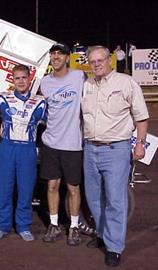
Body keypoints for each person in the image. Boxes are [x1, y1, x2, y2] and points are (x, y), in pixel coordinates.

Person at [82, 45, 149, 267]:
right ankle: (103, 234)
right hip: (90, 148)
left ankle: (114, 247)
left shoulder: (126, 83)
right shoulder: (88, 85)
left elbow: (141, 117)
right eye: (92, 62)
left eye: (100, 60)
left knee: (115, 200)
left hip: (116, 149)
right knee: (93, 197)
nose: (97, 64)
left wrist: (140, 144)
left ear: (110, 60)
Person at [0, 64, 47, 242]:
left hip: (28, 148)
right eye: (17, 78)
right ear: (12, 80)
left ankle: (23, 226)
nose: (21, 81)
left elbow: (52, 124)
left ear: (30, 79)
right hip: (7, 147)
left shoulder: (41, 101)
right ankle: (2, 225)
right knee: (4, 188)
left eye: (24, 78)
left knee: (26, 188)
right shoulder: (1, 98)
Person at [39, 42, 85, 246]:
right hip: (50, 142)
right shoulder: (44, 82)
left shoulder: (78, 77)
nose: (56, 57)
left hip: (73, 143)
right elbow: (38, 108)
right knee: (52, 185)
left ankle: (74, 227)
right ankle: (54, 224)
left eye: (61, 54)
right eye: (53, 54)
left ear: (68, 57)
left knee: (73, 187)